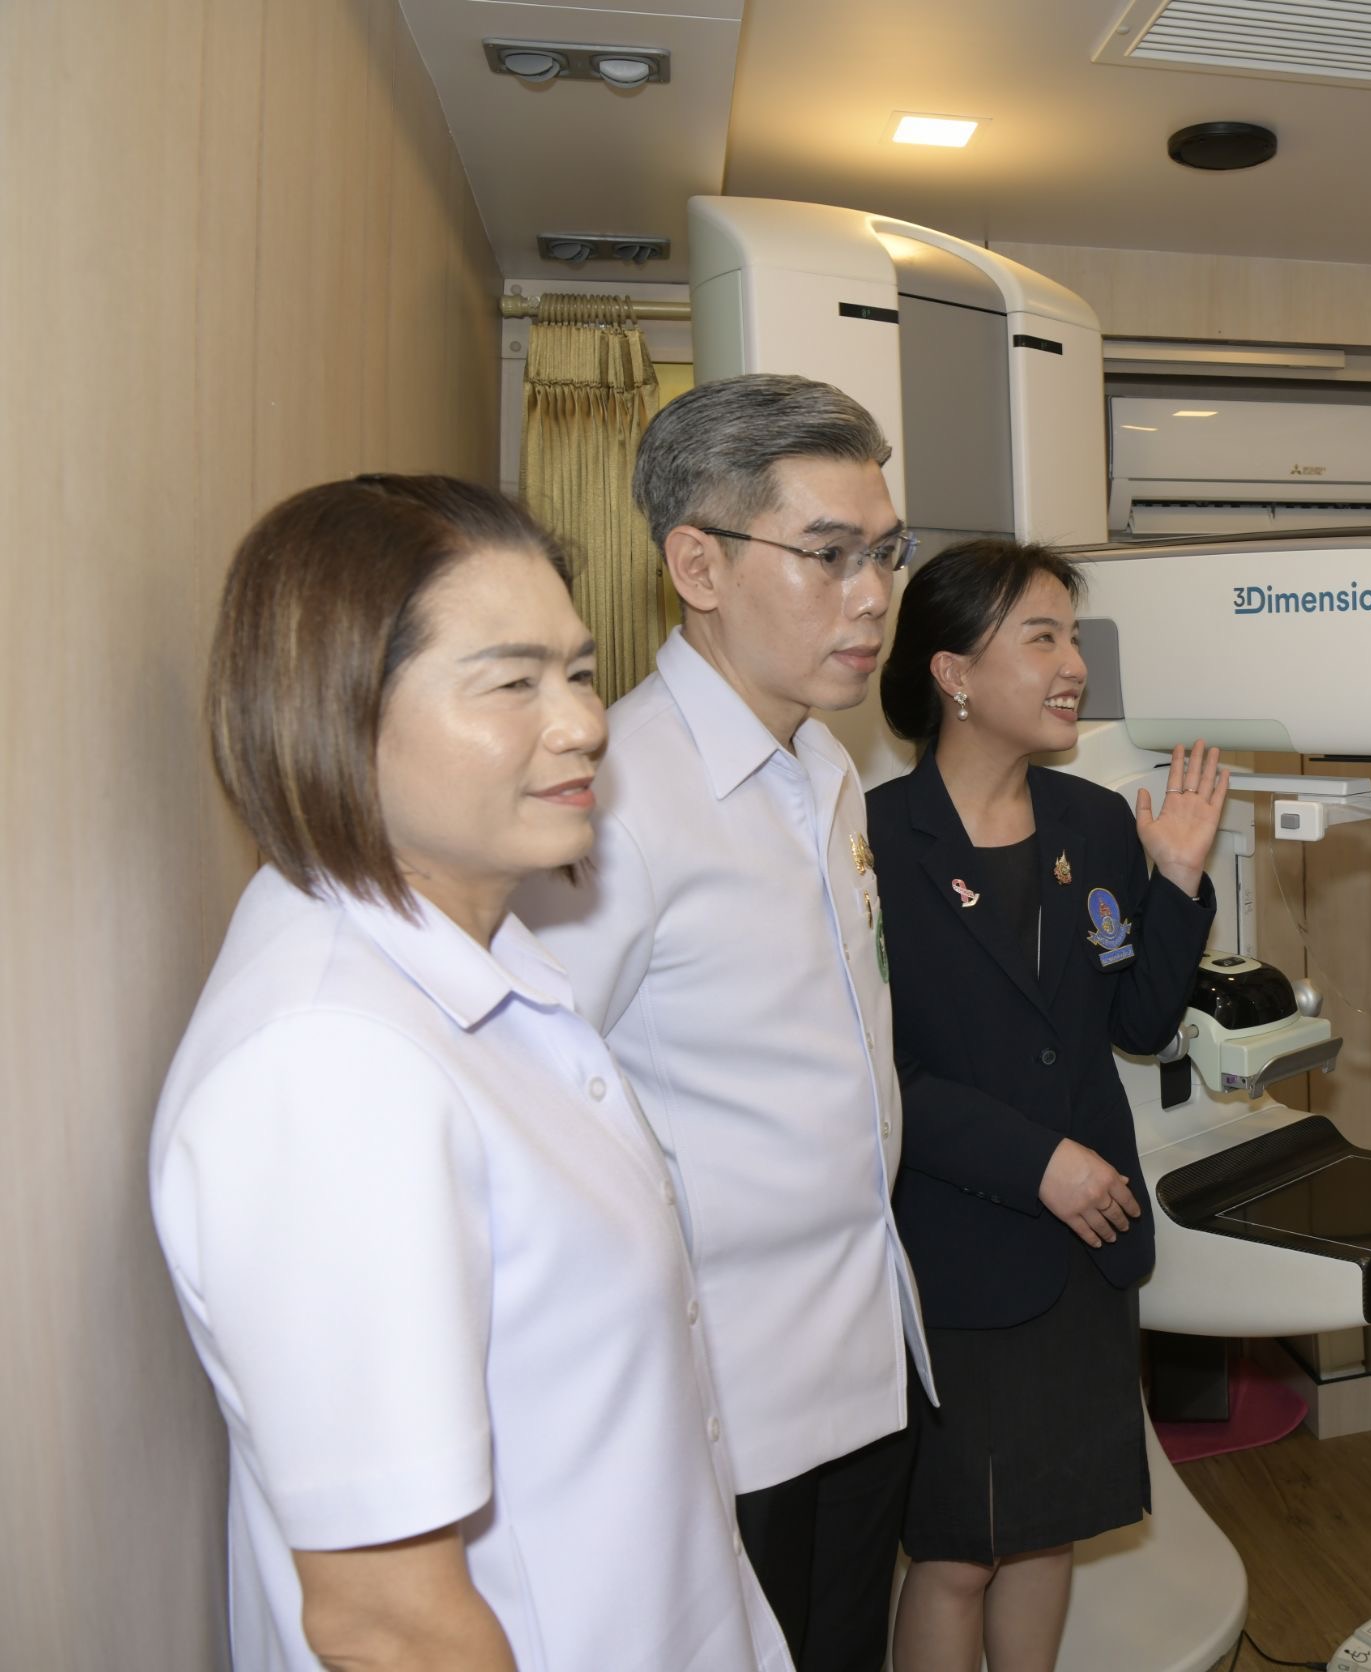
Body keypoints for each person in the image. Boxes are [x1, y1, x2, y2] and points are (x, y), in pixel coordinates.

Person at [151, 475, 786, 1672]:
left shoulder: (476, 955)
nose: (584, 722)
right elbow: (386, 1620)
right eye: (512, 683)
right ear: (339, 709)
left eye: (580, 671)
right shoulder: (330, 1062)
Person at [515, 376, 931, 1672]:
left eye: (887, 553)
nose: (873, 596)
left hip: (867, 1347)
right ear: (698, 565)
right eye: (829, 554)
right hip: (723, 1404)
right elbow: (531, 1111)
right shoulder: (613, 800)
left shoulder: (828, 765)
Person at [866, 540, 1224, 1672]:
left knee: (1044, 1532)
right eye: (1043, 637)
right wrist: (1038, 1163)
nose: (1075, 663)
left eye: (1073, 636)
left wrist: (1178, 879)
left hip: (1084, 1257)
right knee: (957, 1553)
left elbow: (1140, 1020)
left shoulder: (1094, 824)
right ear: (954, 673)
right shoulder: (875, 844)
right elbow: (874, 1075)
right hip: (962, 1252)